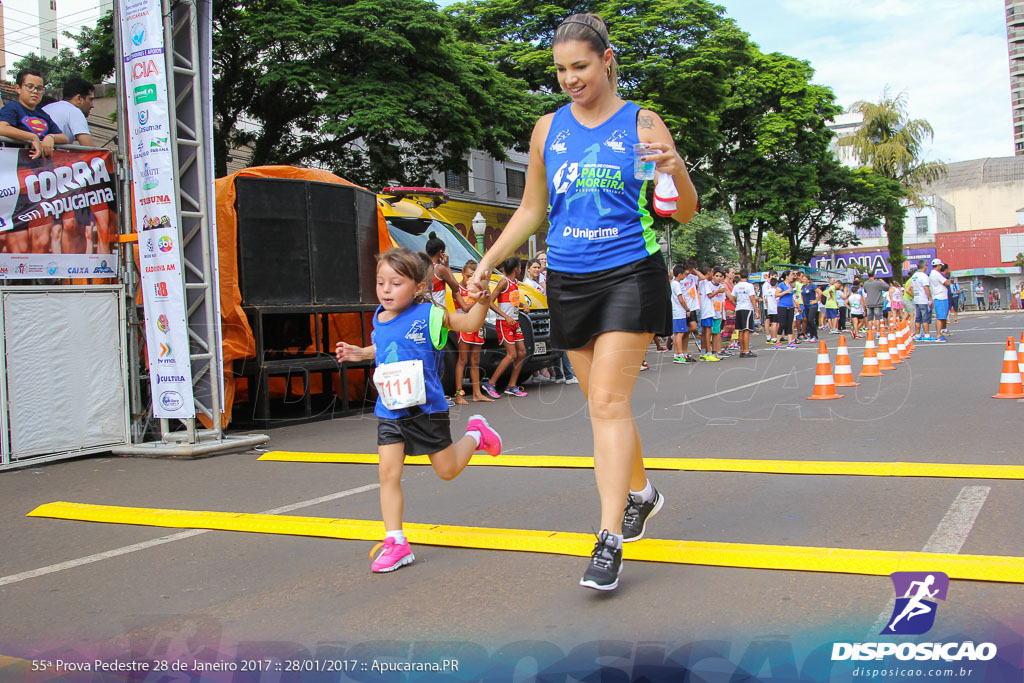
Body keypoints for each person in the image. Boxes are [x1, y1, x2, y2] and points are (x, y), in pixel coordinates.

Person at [466, 12, 698, 591]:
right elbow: (531, 210)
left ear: (607, 60)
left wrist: (678, 170)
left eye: (581, 66)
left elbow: (681, 212)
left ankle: (609, 538)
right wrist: (488, 264)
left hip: (629, 272)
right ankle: (642, 494)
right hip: (567, 279)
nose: (570, 78)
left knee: (606, 406)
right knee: (603, 402)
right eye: (561, 69)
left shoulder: (642, 124)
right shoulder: (549, 129)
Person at [334, 248, 503, 573]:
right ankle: (396, 541)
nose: (385, 289)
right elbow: (385, 346)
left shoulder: (430, 316)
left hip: (427, 410)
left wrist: (482, 302)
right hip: (391, 409)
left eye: (395, 283)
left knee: (447, 470)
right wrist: (360, 353)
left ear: (419, 288)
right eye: (381, 282)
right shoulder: (379, 317)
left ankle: (475, 434)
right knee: (387, 473)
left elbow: (467, 322)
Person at [453, 260, 501, 404]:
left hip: (477, 327)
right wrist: (480, 300)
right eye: (468, 276)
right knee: (462, 360)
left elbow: (487, 302)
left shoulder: (476, 290)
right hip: (464, 325)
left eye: (473, 277)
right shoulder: (458, 290)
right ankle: (459, 394)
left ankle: (477, 393)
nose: (470, 280)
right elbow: (465, 307)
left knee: (475, 361)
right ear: (462, 273)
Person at [481, 257, 529, 398]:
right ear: (516, 269)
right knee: (512, 354)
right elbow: (490, 301)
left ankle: (512, 386)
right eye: (520, 266)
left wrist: (522, 305)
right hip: (504, 322)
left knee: (522, 352)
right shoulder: (504, 282)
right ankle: (491, 383)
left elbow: (510, 300)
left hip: (514, 322)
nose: (520, 269)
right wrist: (506, 316)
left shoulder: (514, 282)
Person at [677, 259, 703, 361]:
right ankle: (675, 338)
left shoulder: (693, 277)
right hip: (684, 308)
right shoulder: (680, 279)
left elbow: (703, 277)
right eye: (687, 268)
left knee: (689, 330)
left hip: (692, 307)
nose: (688, 271)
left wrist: (694, 270)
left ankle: (684, 351)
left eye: (690, 269)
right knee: (686, 329)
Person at [728, 269, 758, 357]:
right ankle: (746, 350)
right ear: (747, 276)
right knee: (746, 330)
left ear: (739, 276)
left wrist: (736, 304)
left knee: (741, 330)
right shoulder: (749, 286)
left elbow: (731, 298)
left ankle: (742, 350)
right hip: (747, 308)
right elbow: (752, 298)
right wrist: (756, 310)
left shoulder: (736, 286)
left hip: (739, 309)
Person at [670, 264, 691, 363]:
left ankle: (677, 354)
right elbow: (680, 299)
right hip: (678, 311)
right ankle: (679, 354)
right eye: (684, 274)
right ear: (679, 274)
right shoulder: (676, 284)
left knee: (677, 333)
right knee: (680, 333)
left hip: (676, 311)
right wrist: (687, 309)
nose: (685, 276)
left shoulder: (673, 283)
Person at [909, 259, 934, 341]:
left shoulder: (914, 276)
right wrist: (930, 298)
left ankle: (918, 335)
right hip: (923, 299)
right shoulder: (924, 276)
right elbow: (926, 287)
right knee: (925, 317)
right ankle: (927, 335)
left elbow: (911, 288)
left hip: (916, 298)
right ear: (925, 266)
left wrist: (914, 296)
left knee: (918, 318)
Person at [862, 270, 890, 335]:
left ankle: (870, 332)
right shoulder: (878, 283)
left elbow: (865, 291)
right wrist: (883, 282)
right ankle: (878, 333)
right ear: (874, 275)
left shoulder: (865, 283)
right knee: (877, 318)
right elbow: (887, 288)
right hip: (877, 302)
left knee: (870, 319)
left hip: (869, 302)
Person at [928, 259, 950, 342]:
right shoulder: (936, 274)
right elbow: (946, 283)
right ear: (938, 265)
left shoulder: (932, 274)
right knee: (940, 317)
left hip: (938, 296)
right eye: (940, 265)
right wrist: (948, 280)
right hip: (941, 297)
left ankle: (940, 333)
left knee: (941, 316)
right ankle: (939, 335)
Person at [775, 271, 797, 349]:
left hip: (790, 306)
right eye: (791, 275)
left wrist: (795, 307)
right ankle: (778, 341)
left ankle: (790, 342)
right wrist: (786, 292)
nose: (792, 277)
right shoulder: (781, 284)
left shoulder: (791, 285)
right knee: (782, 324)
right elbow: (776, 294)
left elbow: (792, 297)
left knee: (790, 324)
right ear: (787, 276)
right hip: (782, 306)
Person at [762, 274, 779, 344]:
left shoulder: (767, 291)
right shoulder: (776, 291)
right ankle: (774, 338)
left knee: (769, 322)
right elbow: (778, 300)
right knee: (775, 323)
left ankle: (768, 337)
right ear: (776, 283)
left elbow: (765, 300)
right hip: (775, 309)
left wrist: (768, 306)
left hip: (769, 309)